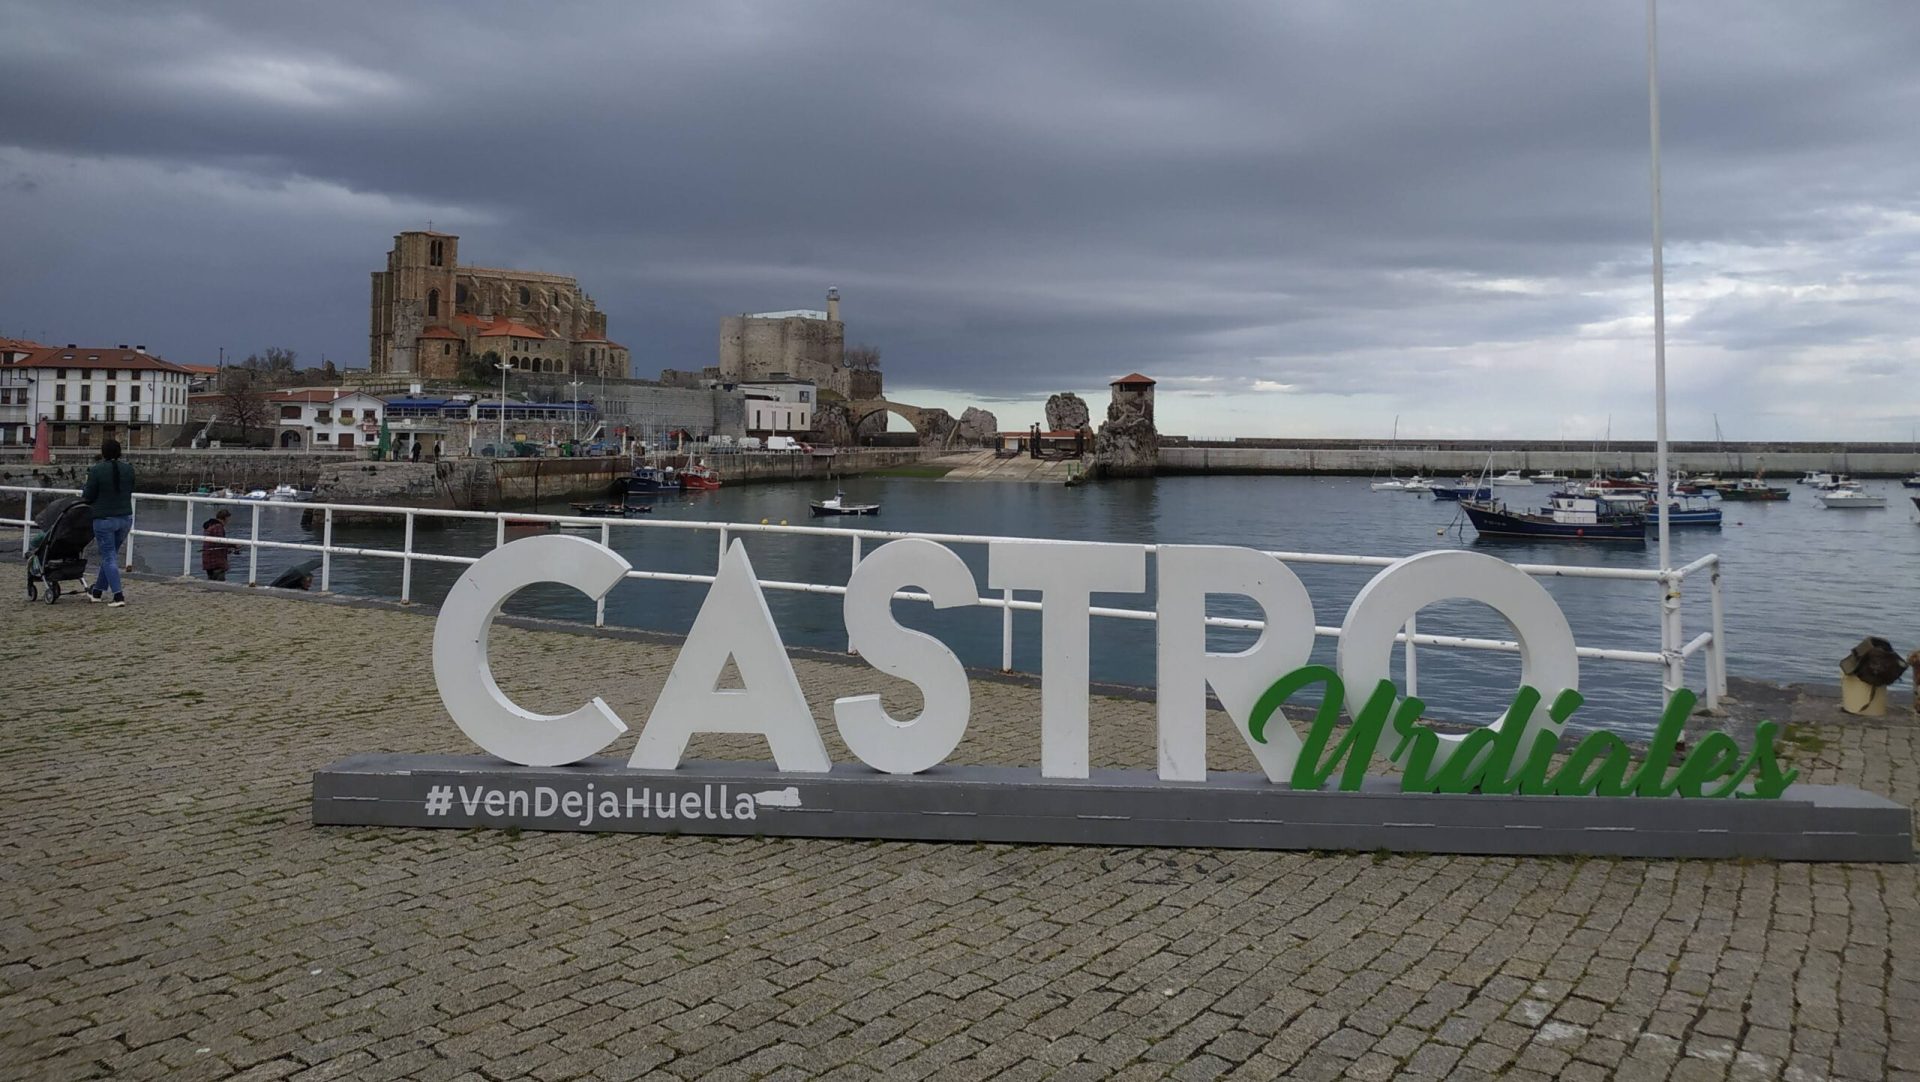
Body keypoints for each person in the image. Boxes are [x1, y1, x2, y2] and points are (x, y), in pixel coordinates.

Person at [81, 439, 134, 606]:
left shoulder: (96, 470)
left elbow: (88, 495)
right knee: (109, 556)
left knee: (108, 557)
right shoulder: (128, 469)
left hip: (104, 519)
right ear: (119, 452)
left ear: (103, 453)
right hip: (125, 518)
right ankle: (97, 592)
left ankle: (118, 596)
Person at [201, 508, 236, 581]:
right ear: (225, 518)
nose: (228, 521)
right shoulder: (218, 527)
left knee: (211, 580)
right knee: (219, 580)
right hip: (216, 561)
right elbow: (220, 542)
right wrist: (234, 545)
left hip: (207, 560)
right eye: (228, 519)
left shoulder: (209, 526)